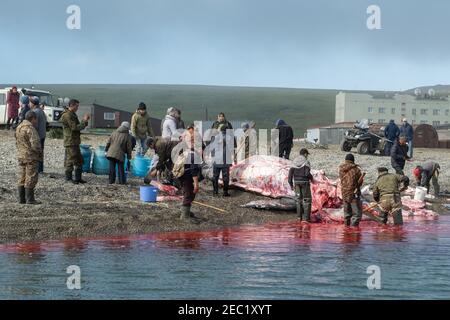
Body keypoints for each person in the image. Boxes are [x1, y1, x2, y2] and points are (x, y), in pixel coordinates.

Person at [60, 99, 91, 184]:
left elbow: (77, 126)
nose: (77, 108)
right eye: (76, 106)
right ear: (72, 105)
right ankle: (68, 178)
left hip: (74, 141)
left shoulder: (72, 114)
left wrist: (85, 121)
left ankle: (78, 178)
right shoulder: (67, 115)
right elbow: (74, 128)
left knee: (78, 160)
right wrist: (84, 121)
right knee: (70, 160)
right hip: (70, 141)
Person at [15, 111, 43, 205]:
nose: (36, 121)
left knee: (22, 176)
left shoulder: (19, 127)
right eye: (36, 119)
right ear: (33, 118)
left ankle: (21, 199)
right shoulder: (30, 128)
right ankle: (30, 199)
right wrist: (39, 152)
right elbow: (35, 144)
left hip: (21, 155)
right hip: (31, 156)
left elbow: (17, 141)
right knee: (31, 176)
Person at [177, 124, 202, 220]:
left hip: (182, 173)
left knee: (190, 193)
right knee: (188, 193)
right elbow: (193, 169)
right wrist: (196, 184)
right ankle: (184, 215)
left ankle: (186, 210)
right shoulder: (191, 151)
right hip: (186, 175)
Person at [210, 115, 236, 197]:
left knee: (215, 176)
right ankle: (225, 192)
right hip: (225, 160)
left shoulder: (215, 137)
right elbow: (232, 149)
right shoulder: (229, 138)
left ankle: (215, 192)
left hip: (216, 160)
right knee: (225, 177)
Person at [339, 154, 364, 227]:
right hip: (353, 193)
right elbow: (360, 182)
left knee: (347, 213)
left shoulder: (341, 169)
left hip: (344, 193)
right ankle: (353, 231)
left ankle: (346, 229)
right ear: (353, 160)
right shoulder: (356, 169)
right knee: (356, 214)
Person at [288, 148, 313, 222]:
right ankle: (306, 219)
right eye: (307, 154)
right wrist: (311, 178)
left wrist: (291, 184)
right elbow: (307, 173)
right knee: (306, 200)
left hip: (296, 182)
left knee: (298, 200)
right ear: (305, 154)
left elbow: (290, 175)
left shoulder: (294, 161)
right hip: (304, 183)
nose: (307, 156)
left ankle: (299, 218)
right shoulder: (306, 161)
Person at [30, 97, 47, 173]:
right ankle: (40, 169)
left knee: (36, 152)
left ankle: (37, 169)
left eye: (30, 102)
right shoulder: (41, 111)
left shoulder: (35, 112)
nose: (29, 104)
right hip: (42, 135)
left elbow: (34, 125)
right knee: (40, 152)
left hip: (38, 136)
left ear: (33, 104)